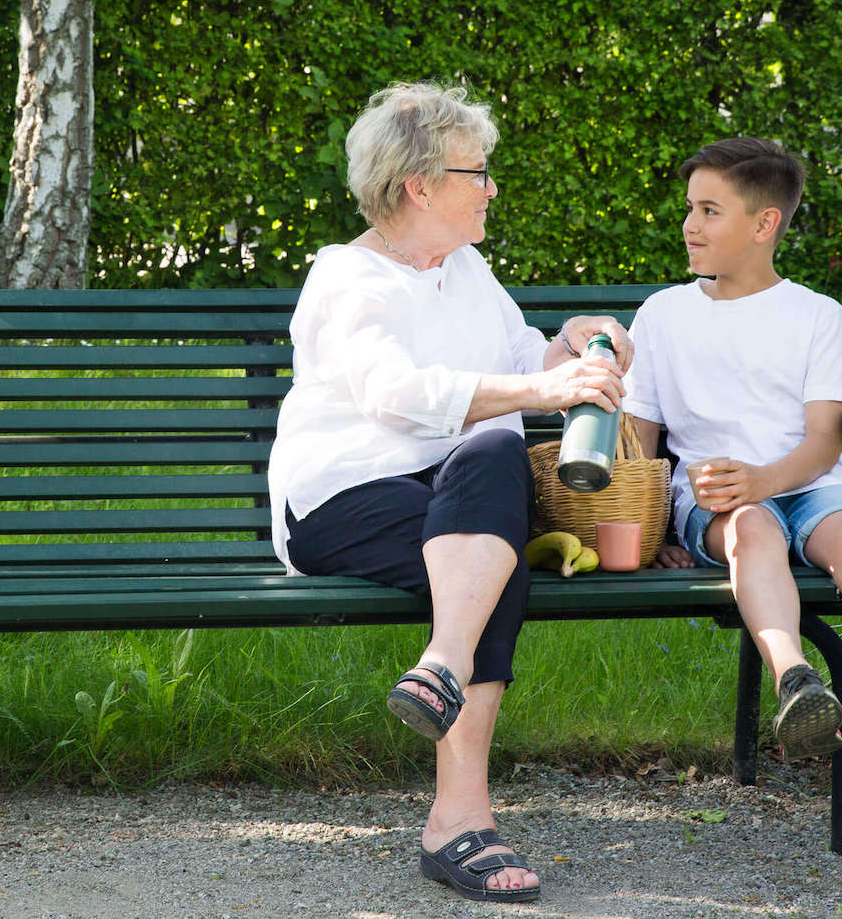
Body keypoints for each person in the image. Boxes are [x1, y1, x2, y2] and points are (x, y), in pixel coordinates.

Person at [267, 81, 631, 903]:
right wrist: (541, 390)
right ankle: (459, 821)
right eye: (478, 172)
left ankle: (441, 667)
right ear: (420, 187)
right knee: (491, 560)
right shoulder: (346, 277)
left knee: (494, 468)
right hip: (345, 497)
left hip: (455, 492)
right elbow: (393, 394)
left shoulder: (465, 267)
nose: (492, 188)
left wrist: (574, 347)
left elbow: (523, 358)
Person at [624, 137, 842, 859]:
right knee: (752, 533)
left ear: (765, 223)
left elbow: (823, 446)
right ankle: (795, 679)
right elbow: (640, 442)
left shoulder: (815, 316)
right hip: (718, 500)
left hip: (809, 483)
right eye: (690, 209)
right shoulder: (665, 315)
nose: (690, 225)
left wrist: (765, 480)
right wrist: (652, 534)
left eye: (710, 211)